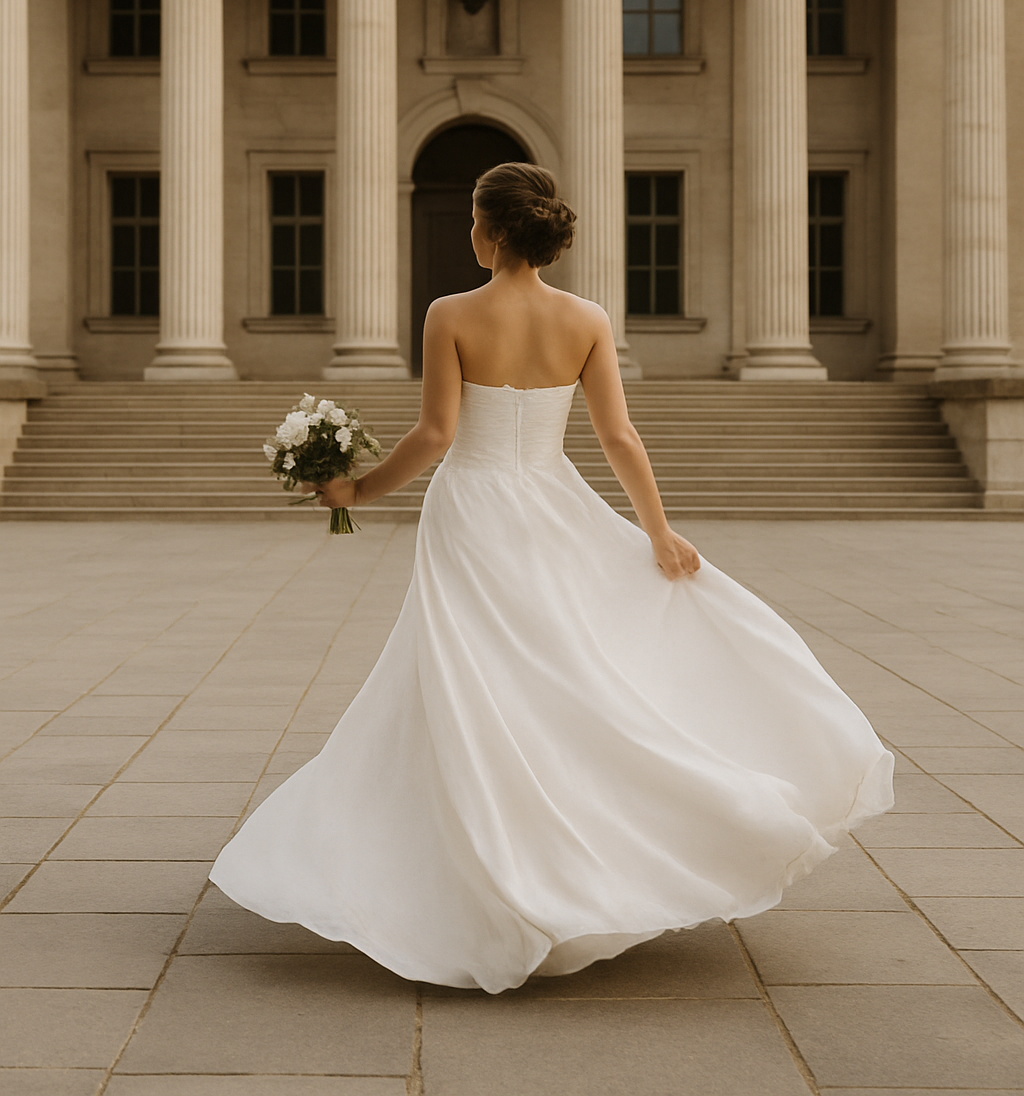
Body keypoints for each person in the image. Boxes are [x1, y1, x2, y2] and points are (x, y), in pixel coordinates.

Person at [209, 161, 894, 994]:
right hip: (552, 503)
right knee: (565, 669)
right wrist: (659, 532)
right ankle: (574, 856)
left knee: (471, 680)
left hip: (472, 511)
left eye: (471, 218)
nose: (468, 231)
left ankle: (492, 866)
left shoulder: (450, 314)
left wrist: (356, 490)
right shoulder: (587, 318)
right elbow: (619, 438)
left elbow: (433, 436)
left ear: (492, 232)